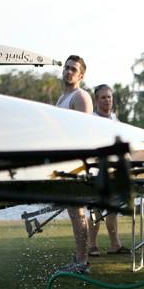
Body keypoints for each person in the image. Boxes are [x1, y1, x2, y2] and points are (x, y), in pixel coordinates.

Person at [55, 55, 93, 273]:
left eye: (73, 69)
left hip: (77, 163)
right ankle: (79, 258)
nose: (68, 71)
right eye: (66, 68)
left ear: (81, 75)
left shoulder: (81, 96)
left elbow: (85, 132)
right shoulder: (62, 99)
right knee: (73, 212)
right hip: (64, 162)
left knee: (78, 212)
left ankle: (83, 261)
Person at [87, 84, 129, 256]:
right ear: (97, 100)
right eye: (103, 97)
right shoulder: (90, 119)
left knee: (112, 208)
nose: (107, 100)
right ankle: (92, 246)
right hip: (96, 170)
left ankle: (115, 245)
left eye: (109, 97)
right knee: (96, 208)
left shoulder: (114, 119)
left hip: (113, 169)